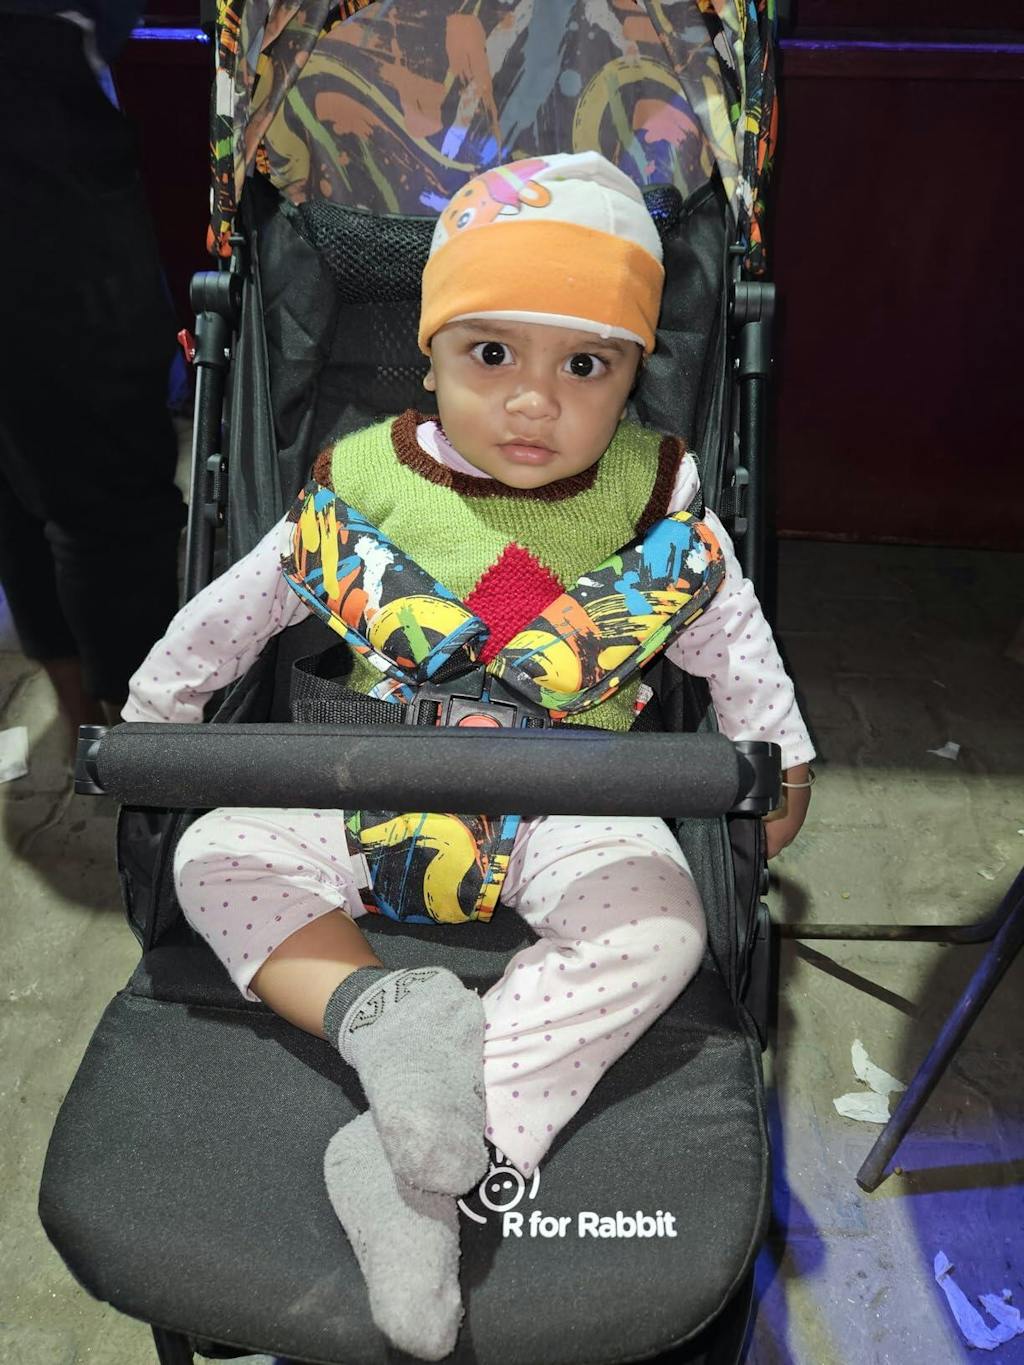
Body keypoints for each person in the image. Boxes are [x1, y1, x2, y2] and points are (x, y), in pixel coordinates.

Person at [124, 152, 814, 1360]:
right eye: (491, 354)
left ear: (632, 374)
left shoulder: (655, 508)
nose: (534, 402)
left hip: (568, 793)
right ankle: (388, 1017)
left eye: (584, 365)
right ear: (430, 354)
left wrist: (781, 760)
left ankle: (432, 1162)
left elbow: (731, 641)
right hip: (366, 778)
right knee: (215, 853)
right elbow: (237, 611)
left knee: (660, 926)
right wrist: (156, 717)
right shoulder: (365, 485)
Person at [0, 4, 186, 747]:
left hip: (39, 77)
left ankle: (87, 728)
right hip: (30, 84)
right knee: (109, 471)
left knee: (21, 473)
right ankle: (143, 753)